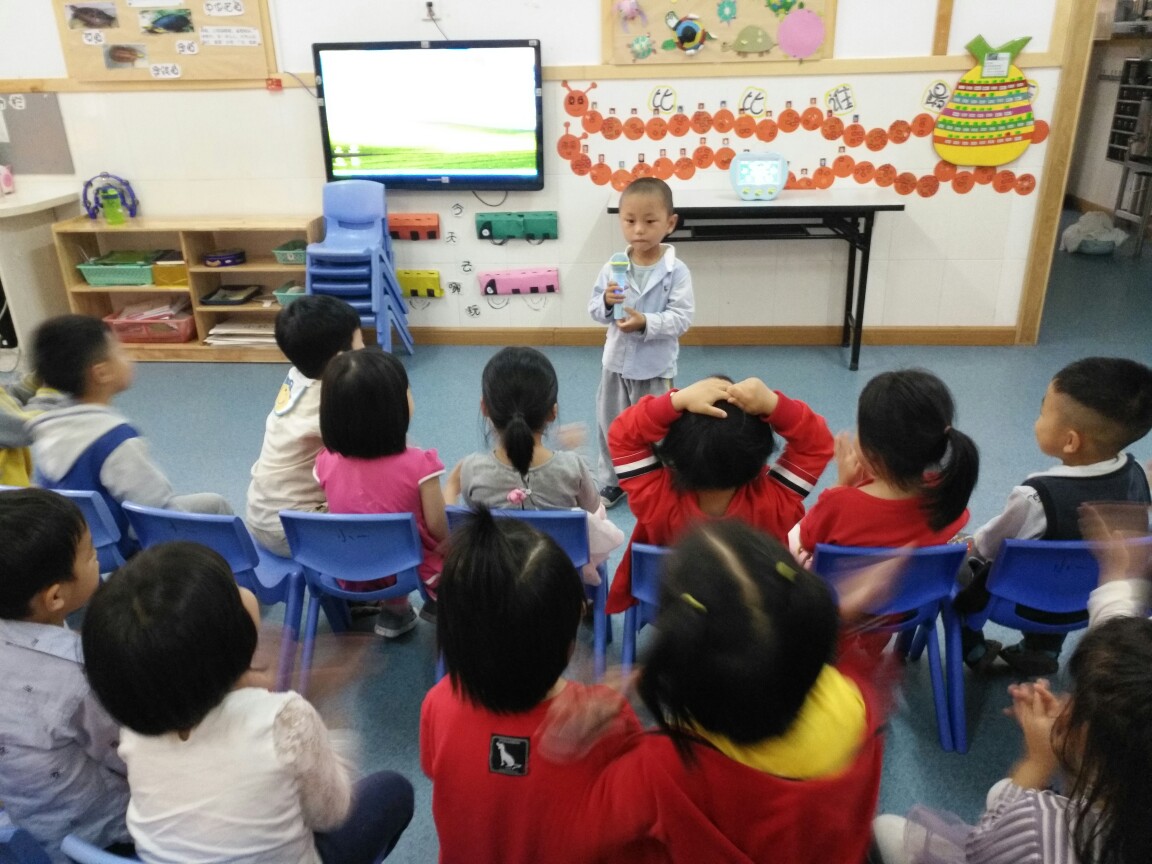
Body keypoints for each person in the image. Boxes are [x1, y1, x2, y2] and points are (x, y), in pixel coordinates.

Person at [549, 519, 891, 864]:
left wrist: (590, 747)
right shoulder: (858, 705)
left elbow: (574, 837)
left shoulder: (663, 768)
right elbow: (798, 660)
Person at [81, 541, 414, 864]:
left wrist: (250, 682)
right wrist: (327, 711)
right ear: (230, 640)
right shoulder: (285, 718)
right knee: (393, 790)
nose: (243, 591)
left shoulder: (138, 727)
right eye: (231, 590)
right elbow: (331, 813)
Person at [873, 525, 1152, 864]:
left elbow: (987, 840)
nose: (1066, 701)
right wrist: (1116, 582)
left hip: (997, 846)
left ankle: (975, 649)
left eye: (1078, 701)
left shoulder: (1038, 830)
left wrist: (1037, 763)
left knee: (884, 828)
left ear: (1094, 749)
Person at [419, 507, 642, 864]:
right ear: (570, 642)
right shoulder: (604, 719)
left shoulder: (438, 702)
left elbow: (439, 772)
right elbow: (641, 807)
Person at [957, 357, 1152, 675]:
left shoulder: (1035, 496)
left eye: (1043, 412)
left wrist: (967, 544)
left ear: (1070, 441)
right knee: (1067, 566)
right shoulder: (1139, 478)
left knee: (958, 560)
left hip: (1019, 605)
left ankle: (973, 647)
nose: (1037, 420)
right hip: (1089, 604)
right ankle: (1043, 650)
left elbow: (988, 547)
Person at [605, 374, 833, 613]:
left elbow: (623, 434)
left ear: (675, 452)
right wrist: (774, 405)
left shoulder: (657, 501)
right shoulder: (774, 506)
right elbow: (816, 444)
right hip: (753, 613)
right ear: (759, 456)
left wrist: (675, 401)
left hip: (677, 607)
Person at [26, 314, 231, 559]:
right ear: (102, 373)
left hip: (76, 547)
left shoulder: (47, 427)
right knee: (215, 505)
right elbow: (159, 510)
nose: (129, 357)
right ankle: (233, 575)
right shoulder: (115, 439)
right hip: (130, 548)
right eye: (120, 351)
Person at [0, 488, 131, 863]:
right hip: (100, 834)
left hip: (27, 824)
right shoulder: (79, 671)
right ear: (55, 597)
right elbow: (127, 752)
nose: (97, 557)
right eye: (90, 554)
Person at [443, 346, 623, 583]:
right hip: (557, 577)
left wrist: (452, 484)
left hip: (496, 579)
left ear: (484, 407)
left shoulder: (471, 469)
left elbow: (453, 523)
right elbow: (592, 508)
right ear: (552, 412)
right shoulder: (571, 466)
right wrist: (577, 451)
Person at [315, 348, 447, 637]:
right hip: (411, 569)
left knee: (382, 535)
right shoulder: (421, 465)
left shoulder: (325, 461)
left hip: (351, 569)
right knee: (456, 544)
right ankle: (439, 603)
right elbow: (438, 527)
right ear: (395, 408)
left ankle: (395, 612)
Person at [794, 368, 979, 560]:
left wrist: (841, 484)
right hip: (924, 580)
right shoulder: (947, 494)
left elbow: (807, 539)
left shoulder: (838, 504)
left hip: (847, 581)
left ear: (872, 454)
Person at [589, 176, 694, 510]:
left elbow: (681, 318)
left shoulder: (677, 271)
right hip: (615, 365)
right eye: (630, 221)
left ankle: (659, 478)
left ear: (670, 223)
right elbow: (595, 310)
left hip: (655, 367)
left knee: (657, 428)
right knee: (610, 424)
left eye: (649, 221)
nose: (638, 230)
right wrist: (606, 302)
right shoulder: (613, 266)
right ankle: (613, 480)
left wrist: (646, 322)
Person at [246, 295, 363, 556]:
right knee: (383, 499)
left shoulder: (298, 375)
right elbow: (380, 444)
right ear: (341, 358)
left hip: (260, 515)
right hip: (293, 531)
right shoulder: (332, 399)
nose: (365, 347)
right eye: (361, 342)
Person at [0, 370, 46, 486]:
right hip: (8, 494)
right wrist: (54, 389)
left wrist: (38, 379)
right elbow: (22, 427)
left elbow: (9, 401)